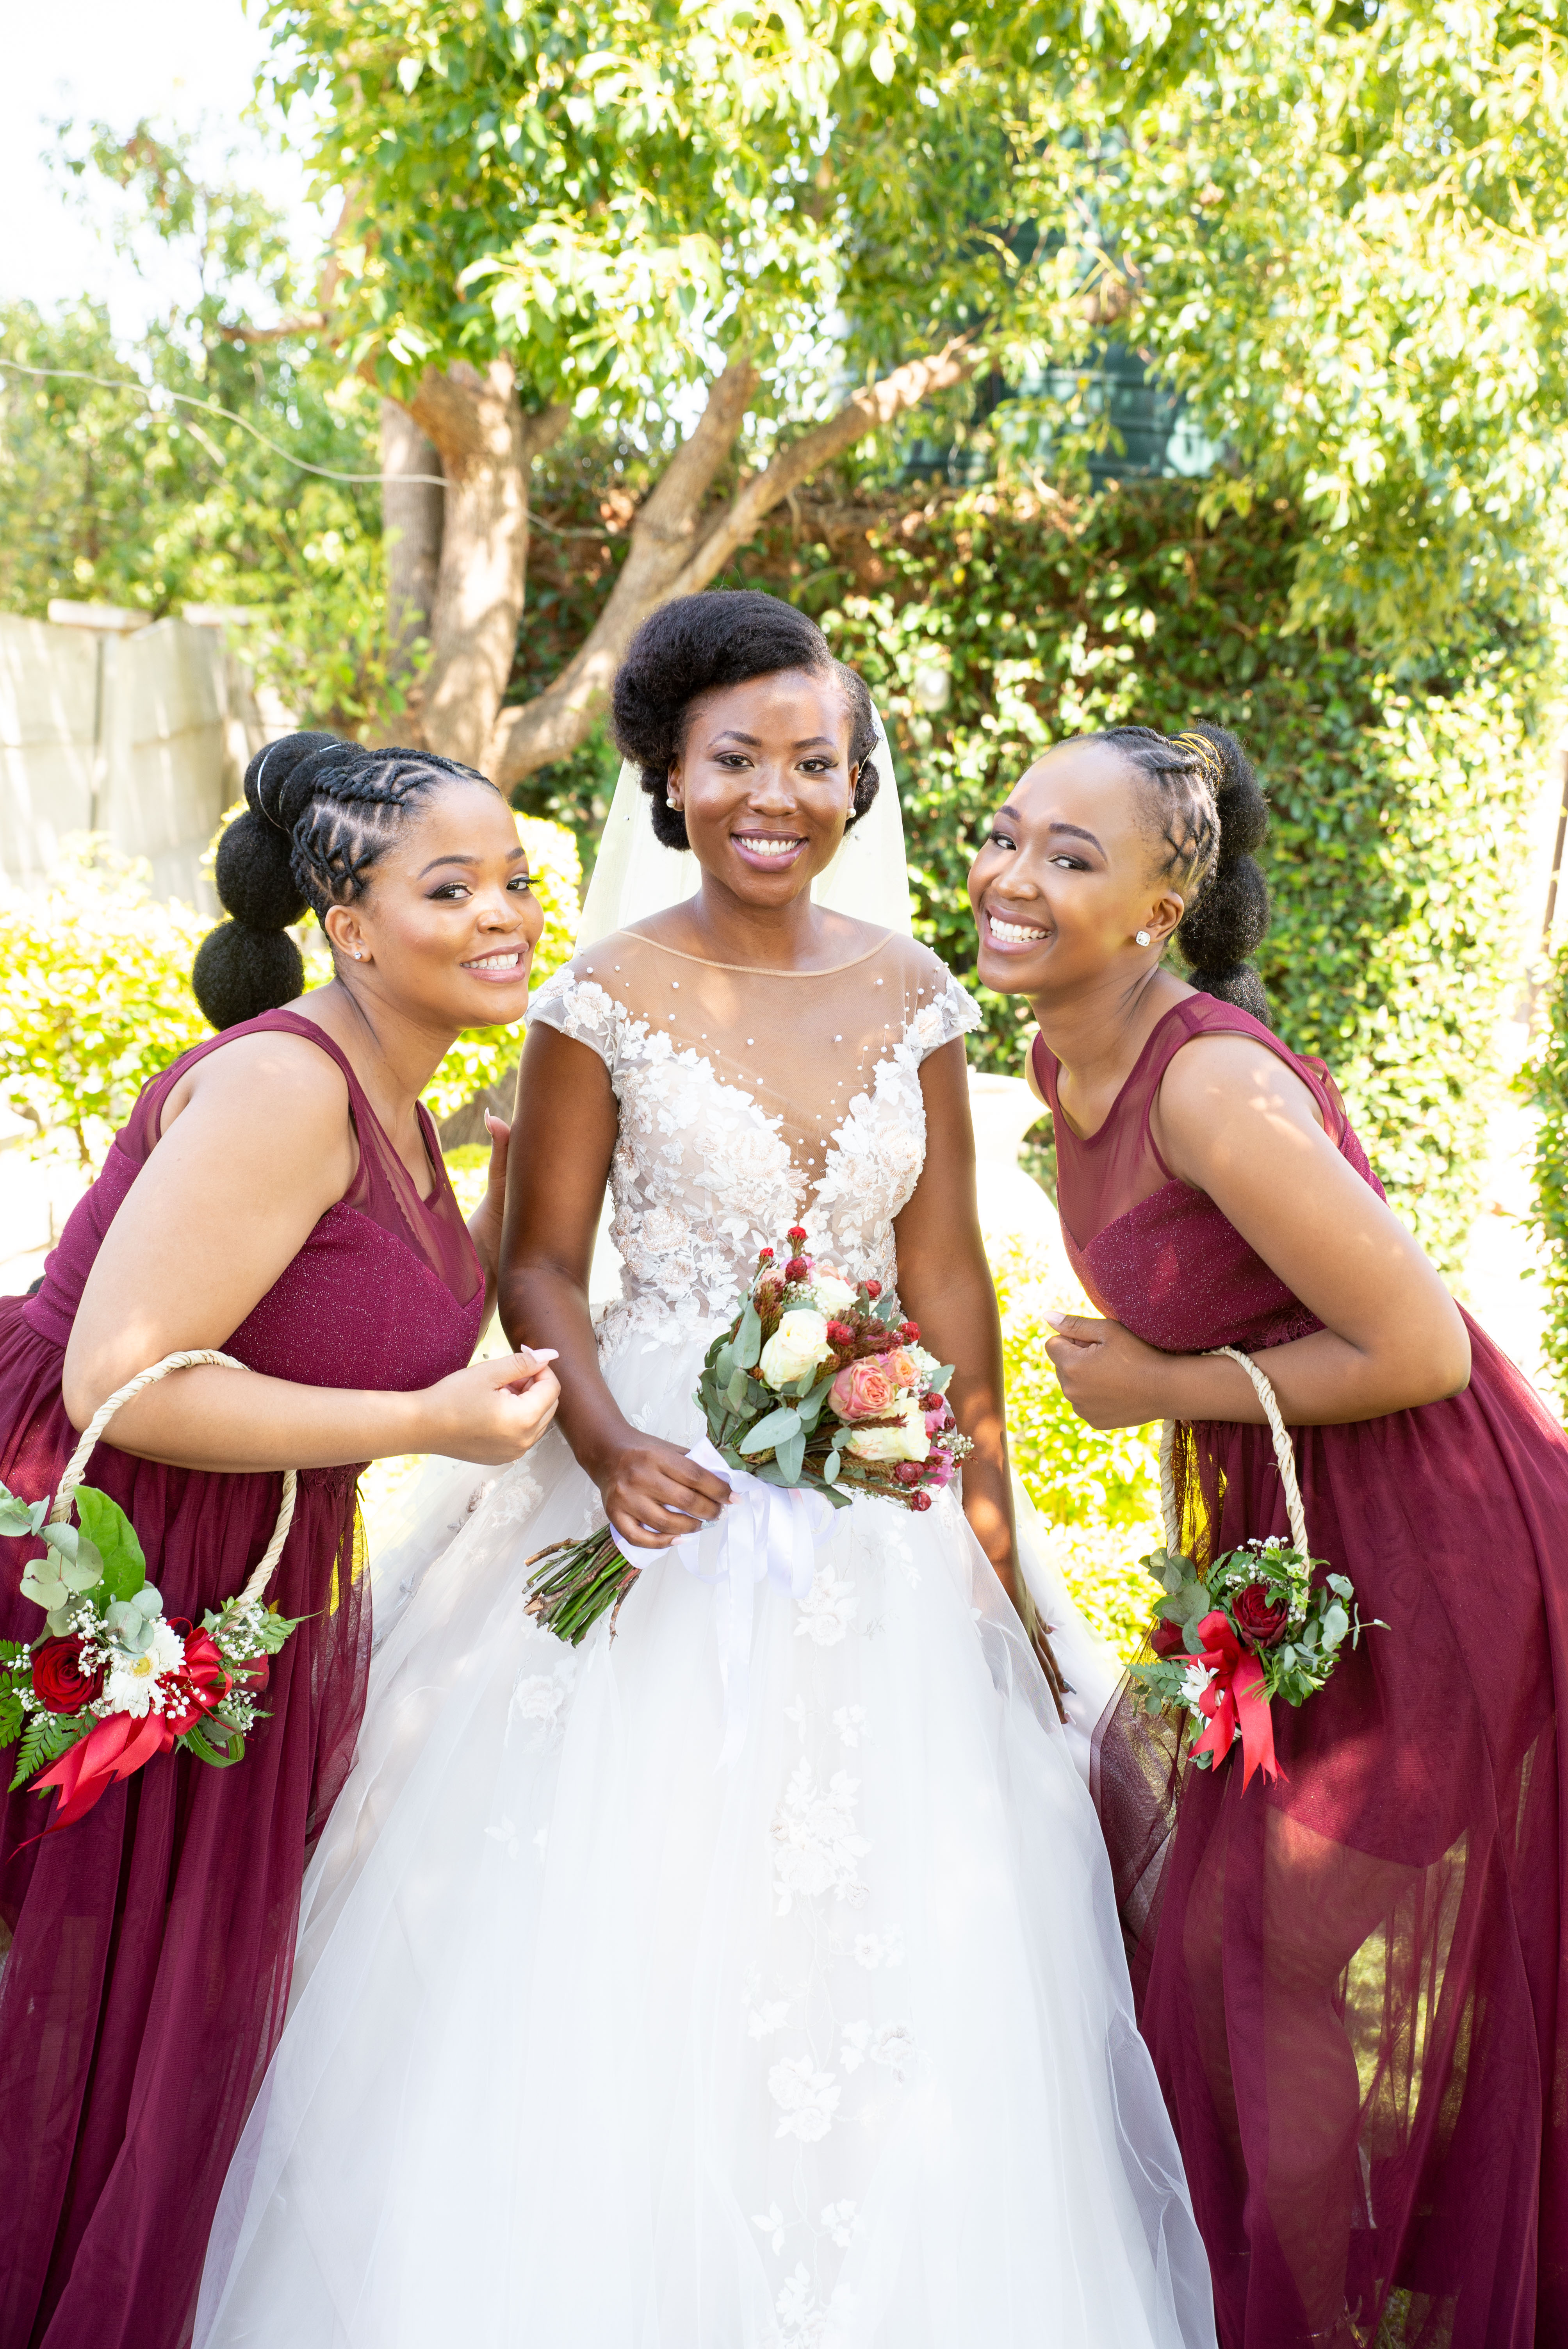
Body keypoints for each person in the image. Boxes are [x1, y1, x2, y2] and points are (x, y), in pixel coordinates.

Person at [194, 593, 1217, 2349]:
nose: (776, 792)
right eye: (734, 756)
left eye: (815, 761)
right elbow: (537, 1259)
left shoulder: (914, 995)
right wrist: (604, 1435)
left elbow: (950, 1280)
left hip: (879, 1504)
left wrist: (993, 1537)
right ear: (669, 775)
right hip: (648, 1482)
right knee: (614, 1918)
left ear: (854, 782)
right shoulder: (597, 990)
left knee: (906, 1938)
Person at [968, 718, 1568, 2349]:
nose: (1009, 879)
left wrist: (1159, 1382)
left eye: (1067, 859)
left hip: (1429, 1551)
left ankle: (1297, 2322)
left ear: (1157, 911)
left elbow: (1420, 1346)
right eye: (1003, 833)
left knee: (1256, 1954)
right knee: (1198, 1926)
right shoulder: (1053, 1052)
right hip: (1290, 1551)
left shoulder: (1210, 1087)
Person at [0, 732, 561, 2349]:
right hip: (111, 1540)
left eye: (516, 877)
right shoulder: (282, 1083)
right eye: (448, 885)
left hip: (243, 1563)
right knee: (91, 1997)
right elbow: (126, 1382)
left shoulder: (393, 1088)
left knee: (169, 2006)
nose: (504, 912)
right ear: (348, 918)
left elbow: (336, 1271)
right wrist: (426, 1425)